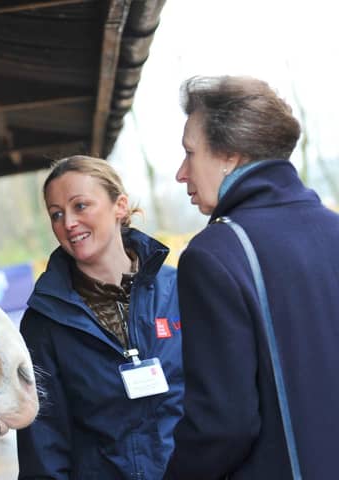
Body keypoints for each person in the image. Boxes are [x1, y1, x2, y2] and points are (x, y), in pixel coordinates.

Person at [164, 75, 339, 479]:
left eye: (190, 152)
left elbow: (223, 426)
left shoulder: (214, 255)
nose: (181, 173)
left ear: (229, 155)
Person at [17, 155, 183, 479]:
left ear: (119, 206)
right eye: (56, 214)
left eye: (80, 206)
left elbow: (220, 405)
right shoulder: (44, 323)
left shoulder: (179, 291)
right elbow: (43, 445)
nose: (68, 223)